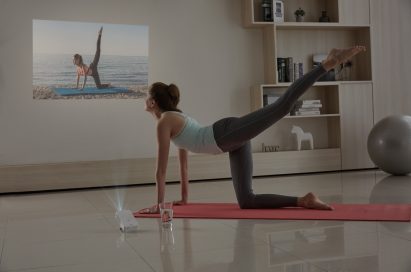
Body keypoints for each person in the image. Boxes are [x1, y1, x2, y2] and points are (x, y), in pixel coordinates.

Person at [140, 46, 366, 214]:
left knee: (282, 106)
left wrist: (159, 207)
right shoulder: (172, 119)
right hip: (229, 142)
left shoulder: (164, 122)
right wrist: (184, 199)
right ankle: (304, 200)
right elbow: (184, 165)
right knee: (246, 201)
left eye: (147, 97)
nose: (144, 100)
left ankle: (326, 64)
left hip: (226, 134)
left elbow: (160, 171)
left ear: (153, 102)